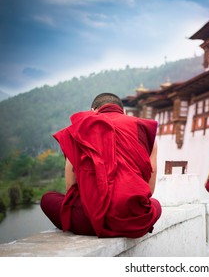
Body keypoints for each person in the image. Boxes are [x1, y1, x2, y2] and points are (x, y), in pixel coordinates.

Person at [40, 93, 162, 238]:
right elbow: (149, 188)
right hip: (135, 220)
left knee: (47, 199)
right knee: (155, 205)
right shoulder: (143, 131)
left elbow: (71, 187)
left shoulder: (81, 128)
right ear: (122, 112)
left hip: (88, 220)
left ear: (93, 111)